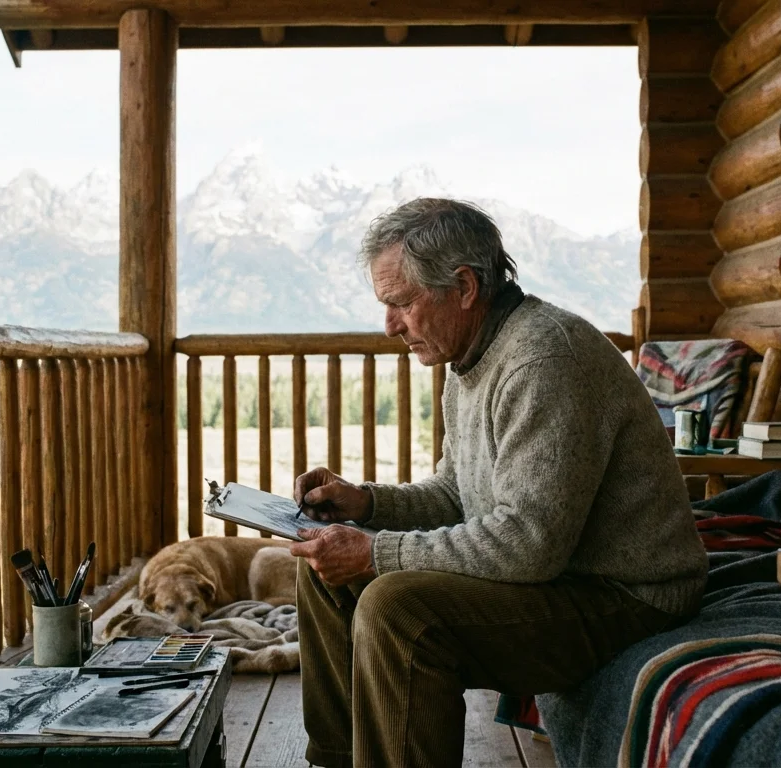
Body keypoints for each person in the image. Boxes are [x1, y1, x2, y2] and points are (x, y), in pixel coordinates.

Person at [289, 197, 706, 768]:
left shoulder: (543, 360)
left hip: (625, 594)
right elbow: (457, 495)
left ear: (463, 286)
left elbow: (529, 543)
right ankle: (338, 759)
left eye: (402, 303)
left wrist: (376, 552)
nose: (390, 326)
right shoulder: (466, 360)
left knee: (396, 606)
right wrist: (364, 505)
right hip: (558, 577)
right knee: (323, 573)